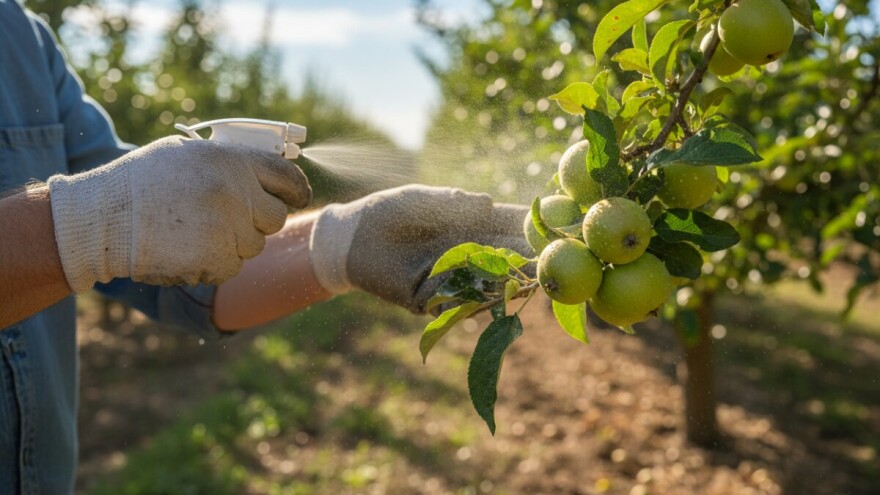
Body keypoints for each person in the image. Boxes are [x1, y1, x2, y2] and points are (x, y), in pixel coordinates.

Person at [0, 2, 528, 492]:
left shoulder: (22, 41)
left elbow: (180, 272)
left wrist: (344, 240)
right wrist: (95, 222)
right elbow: (113, 219)